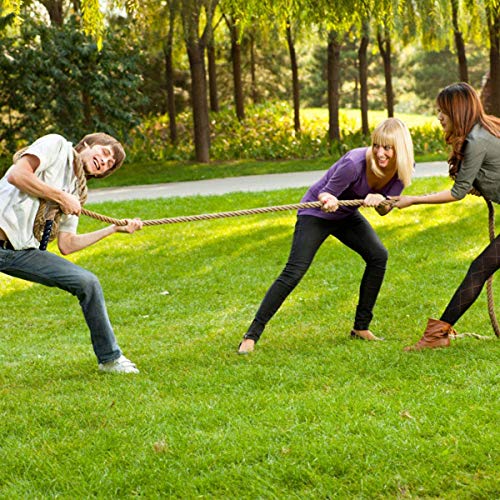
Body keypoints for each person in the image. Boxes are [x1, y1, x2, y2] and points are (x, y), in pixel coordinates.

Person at [238, 118, 415, 354]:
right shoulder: (354, 163)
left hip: (346, 215)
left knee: (378, 256)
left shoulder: (403, 170)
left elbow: (385, 210)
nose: (380, 153)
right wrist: (328, 200)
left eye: (387, 148)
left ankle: (361, 327)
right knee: (294, 271)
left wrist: (381, 202)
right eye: (376, 146)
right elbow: (326, 193)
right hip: (316, 214)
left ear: (400, 148)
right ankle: (251, 335)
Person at [0, 132, 143, 373]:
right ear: (87, 144)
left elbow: (67, 244)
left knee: (88, 282)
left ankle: (109, 359)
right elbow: (17, 174)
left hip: (20, 252)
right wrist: (59, 196)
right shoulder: (56, 146)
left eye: (109, 165)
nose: (104, 162)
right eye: (104, 153)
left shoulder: (77, 192)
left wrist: (112, 229)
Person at [393, 82, 500, 350]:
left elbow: (457, 193)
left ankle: (435, 336)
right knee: (481, 267)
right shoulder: (486, 129)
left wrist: (413, 200)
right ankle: (436, 334)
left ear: (458, 111)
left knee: (480, 267)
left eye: (443, 111)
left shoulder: (477, 140)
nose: (439, 117)